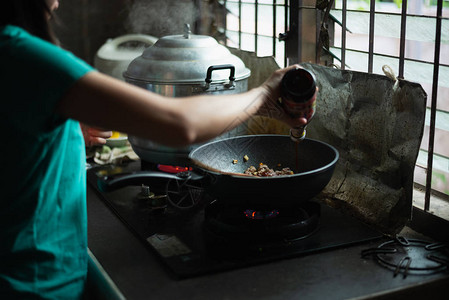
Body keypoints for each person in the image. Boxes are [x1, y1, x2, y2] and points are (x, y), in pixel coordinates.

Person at [0, 0, 308, 299]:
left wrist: (65, 131)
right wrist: (263, 96)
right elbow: (180, 125)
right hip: (33, 283)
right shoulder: (27, 56)